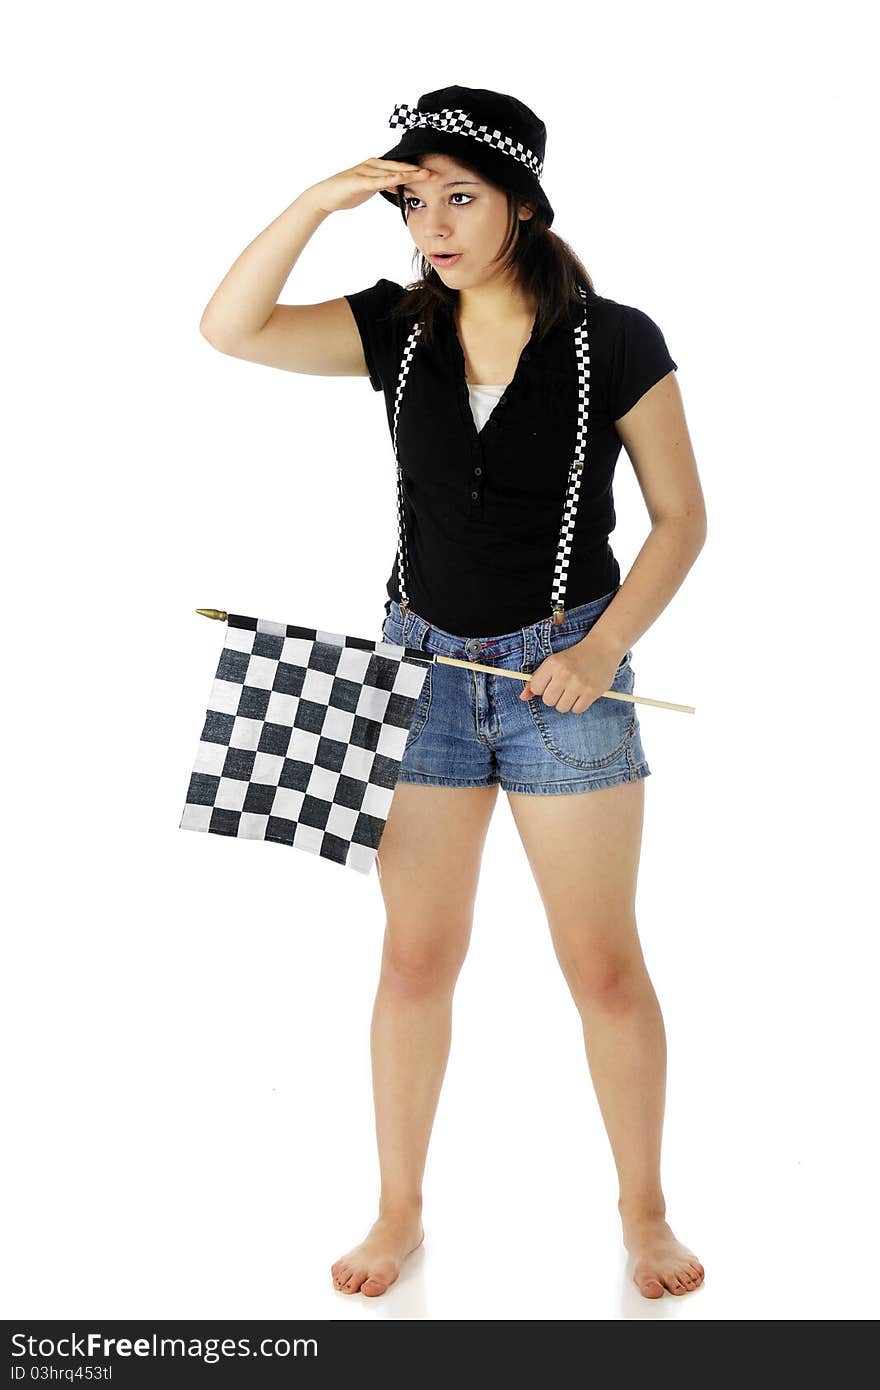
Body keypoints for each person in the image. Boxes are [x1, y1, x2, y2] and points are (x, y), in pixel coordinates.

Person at [199, 86, 707, 1302]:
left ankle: (644, 1211)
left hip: (563, 678)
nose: (431, 222)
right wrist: (322, 201)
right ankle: (397, 1209)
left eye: (459, 196)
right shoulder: (396, 328)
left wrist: (598, 653)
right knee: (415, 960)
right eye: (414, 199)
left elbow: (681, 521)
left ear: (523, 206)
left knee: (601, 967)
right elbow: (230, 327)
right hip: (417, 673)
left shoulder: (614, 340)